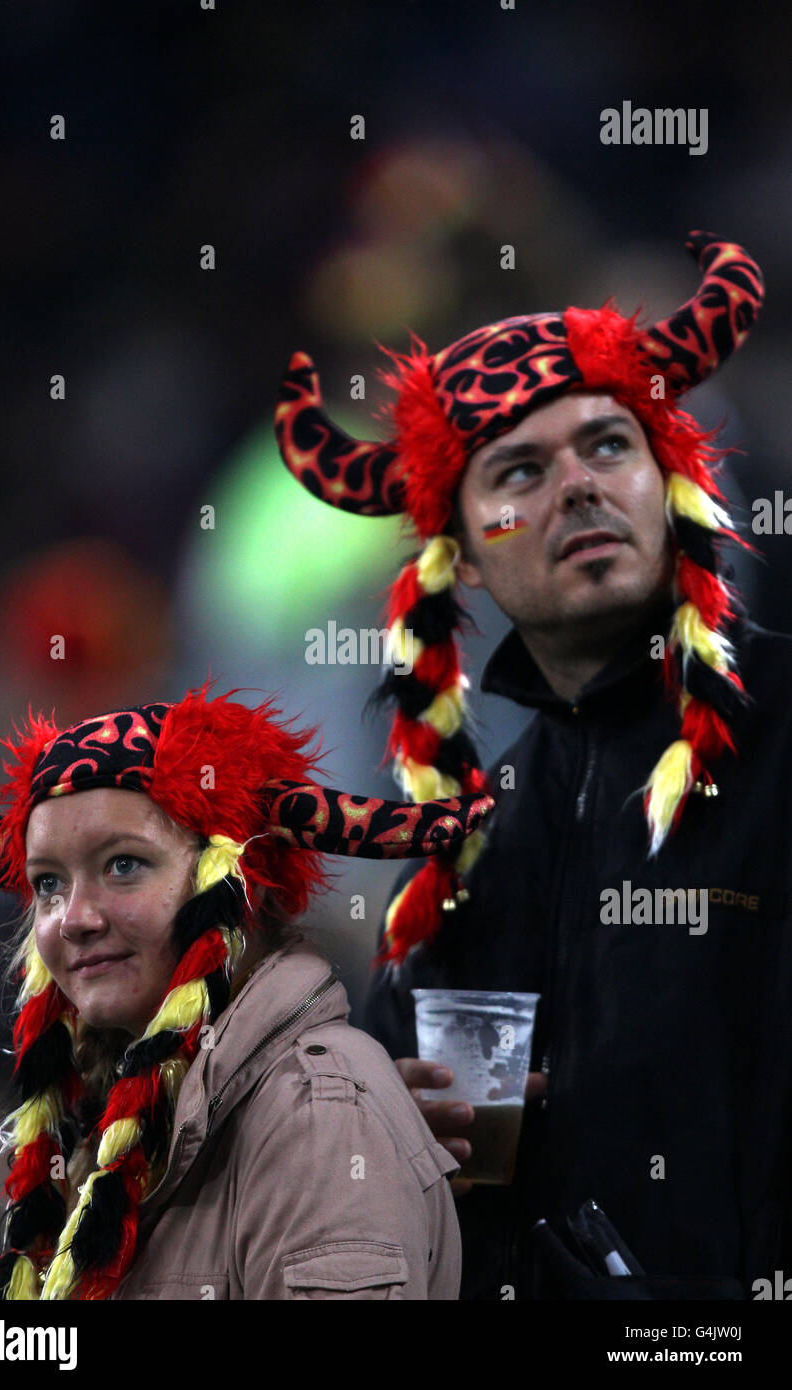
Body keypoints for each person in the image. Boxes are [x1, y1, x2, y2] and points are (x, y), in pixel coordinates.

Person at [274, 232, 792, 1299]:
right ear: (458, 552)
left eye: (608, 447)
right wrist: (374, 1131)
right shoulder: (468, 843)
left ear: (670, 480)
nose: (576, 487)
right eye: (518, 470)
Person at [0, 683, 492, 1300]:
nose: (73, 918)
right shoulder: (112, 1116)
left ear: (236, 884)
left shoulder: (318, 1119)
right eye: (48, 883)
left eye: (123, 864)